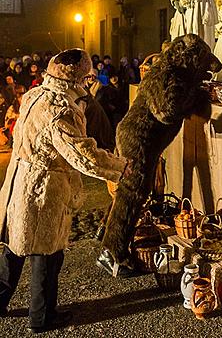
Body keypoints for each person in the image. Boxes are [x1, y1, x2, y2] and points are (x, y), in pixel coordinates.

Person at [0, 48, 132, 333]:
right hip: (42, 189)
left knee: (14, 247)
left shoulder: (35, 94)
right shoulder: (61, 109)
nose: (88, 84)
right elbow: (82, 154)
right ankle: (42, 317)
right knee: (46, 253)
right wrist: (120, 167)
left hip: (20, 179)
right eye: (86, 79)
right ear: (75, 80)